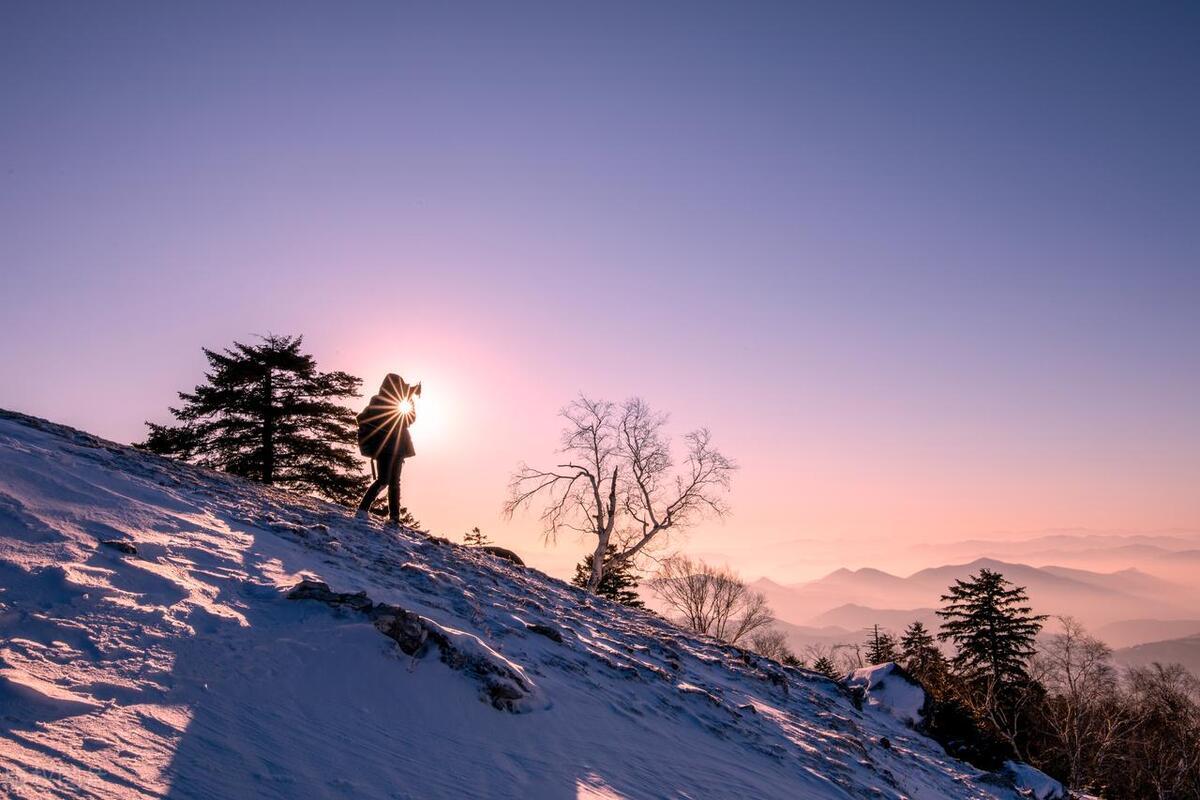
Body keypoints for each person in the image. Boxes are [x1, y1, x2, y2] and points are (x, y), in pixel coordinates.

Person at [355, 373, 419, 523]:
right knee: (384, 480)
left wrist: (409, 399)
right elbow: (363, 418)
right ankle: (363, 509)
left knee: (393, 482)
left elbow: (410, 419)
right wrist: (408, 397)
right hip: (385, 447)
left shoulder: (396, 401)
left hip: (396, 447)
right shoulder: (379, 400)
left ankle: (394, 517)